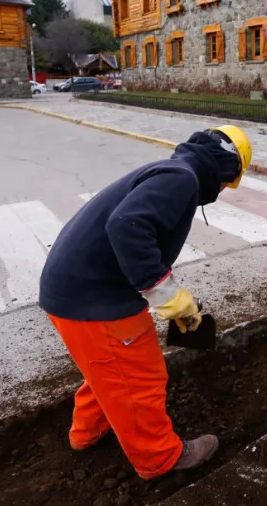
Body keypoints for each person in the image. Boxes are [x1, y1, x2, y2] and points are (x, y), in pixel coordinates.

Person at [38, 125, 252, 479]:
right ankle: (160, 459)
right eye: (228, 184)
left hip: (73, 290)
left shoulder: (172, 170)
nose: (222, 191)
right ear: (227, 173)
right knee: (140, 379)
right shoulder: (182, 180)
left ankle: (87, 432)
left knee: (107, 369)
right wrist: (165, 293)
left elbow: (137, 230)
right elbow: (127, 226)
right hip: (95, 298)